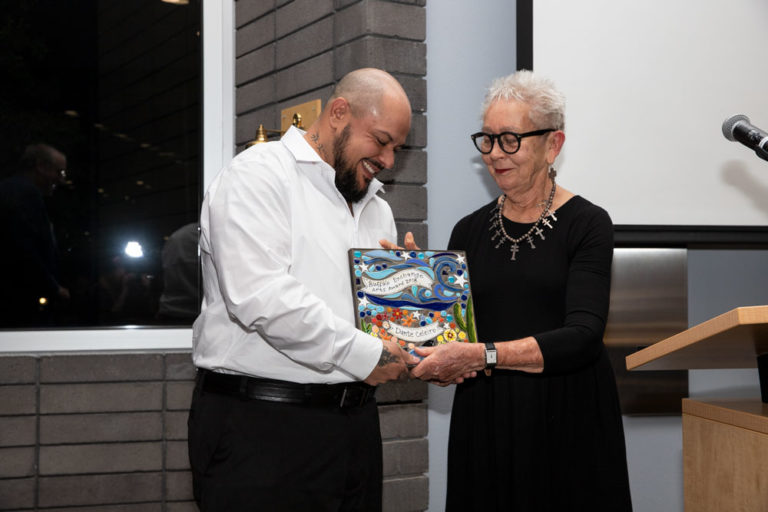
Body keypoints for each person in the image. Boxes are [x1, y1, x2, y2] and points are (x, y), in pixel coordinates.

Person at [187, 68, 419, 511]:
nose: (389, 160)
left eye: (397, 149)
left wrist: (415, 303)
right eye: (382, 140)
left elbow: (372, 328)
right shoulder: (258, 175)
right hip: (261, 430)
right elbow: (261, 296)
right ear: (338, 113)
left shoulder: (377, 209)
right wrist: (369, 356)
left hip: (354, 427)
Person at [411, 70, 633, 511]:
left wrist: (484, 355)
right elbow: (453, 340)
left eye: (510, 139)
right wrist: (411, 295)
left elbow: (584, 336)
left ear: (553, 144)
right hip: (486, 419)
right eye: (488, 140)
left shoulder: (588, 224)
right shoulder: (468, 230)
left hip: (566, 418)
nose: (495, 153)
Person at [0, 143, 70, 326]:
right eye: (59, 172)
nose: (61, 180)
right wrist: (54, 288)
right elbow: (23, 249)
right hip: (22, 303)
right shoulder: (26, 194)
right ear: (41, 166)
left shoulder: (9, 190)